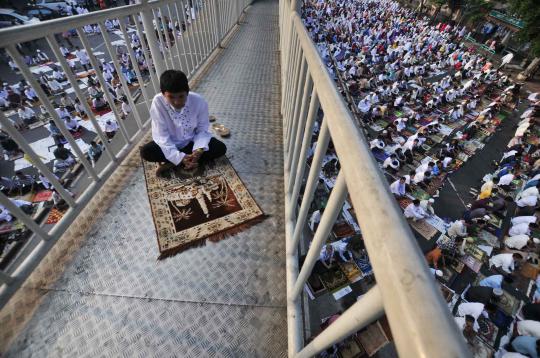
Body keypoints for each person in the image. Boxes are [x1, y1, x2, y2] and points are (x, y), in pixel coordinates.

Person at [140, 70, 227, 177]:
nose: (177, 102)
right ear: (163, 94)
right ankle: (182, 160)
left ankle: (177, 162)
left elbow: (202, 129)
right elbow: (161, 136)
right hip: (171, 144)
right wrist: (178, 156)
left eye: (181, 96)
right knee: (146, 152)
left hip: (191, 141)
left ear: (187, 91)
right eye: (171, 97)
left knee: (220, 148)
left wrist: (198, 150)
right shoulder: (157, 102)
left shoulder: (199, 101)